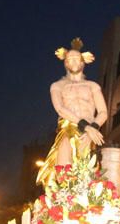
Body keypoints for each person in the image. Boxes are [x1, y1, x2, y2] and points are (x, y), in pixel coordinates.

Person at [38, 38, 106, 187]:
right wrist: (86, 126)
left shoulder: (92, 86)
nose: (74, 62)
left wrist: (91, 129)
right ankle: (62, 199)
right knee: (65, 155)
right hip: (69, 126)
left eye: (77, 58)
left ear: (83, 62)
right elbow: (60, 108)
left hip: (89, 131)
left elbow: (103, 112)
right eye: (70, 59)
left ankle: (78, 201)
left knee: (84, 168)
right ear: (65, 63)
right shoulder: (58, 85)